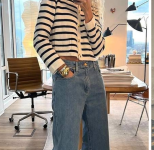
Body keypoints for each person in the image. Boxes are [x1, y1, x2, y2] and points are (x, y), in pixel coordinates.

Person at [33, 0, 109, 149]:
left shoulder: (93, 6)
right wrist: (65, 72)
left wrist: (88, 11)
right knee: (66, 141)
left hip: (94, 74)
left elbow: (99, 48)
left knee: (99, 140)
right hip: (68, 75)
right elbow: (40, 39)